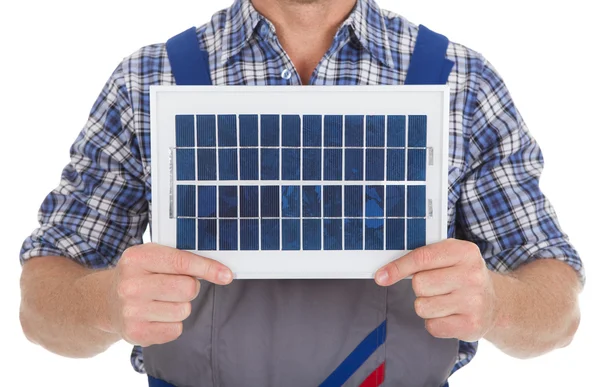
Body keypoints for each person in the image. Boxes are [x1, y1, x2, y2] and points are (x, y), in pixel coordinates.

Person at [18, 0, 583, 386]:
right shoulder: (148, 80)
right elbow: (41, 311)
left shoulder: (460, 81)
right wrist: (105, 302)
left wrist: (498, 303)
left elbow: (558, 314)